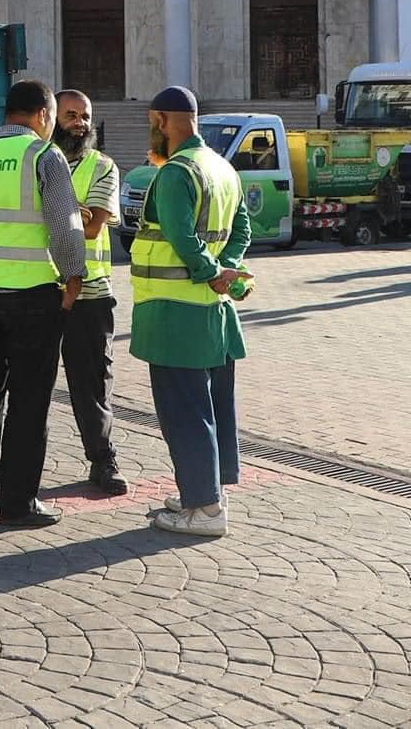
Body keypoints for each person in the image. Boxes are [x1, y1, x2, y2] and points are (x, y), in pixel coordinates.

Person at [0, 79, 88, 528]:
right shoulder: (44, 156)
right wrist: (74, 277)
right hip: (32, 295)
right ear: (44, 115)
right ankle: (17, 503)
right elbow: (66, 225)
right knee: (29, 400)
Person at [132, 86, 252, 538]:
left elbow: (181, 236)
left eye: (151, 122)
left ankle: (205, 509)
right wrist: (225, 271)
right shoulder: (222, 168)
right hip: (214, 313)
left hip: (175, 314)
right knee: (213, 408)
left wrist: (210, 271)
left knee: (184, 414)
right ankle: (206, 492)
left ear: (160, 120)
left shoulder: (175, 172)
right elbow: (242, 229)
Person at [51, 90, 127, 496]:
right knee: (25, 385)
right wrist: (73, 210)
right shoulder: (36, 161)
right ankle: (10, 467)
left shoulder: (102, 166)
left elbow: (94, 226)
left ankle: (103, 460)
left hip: (91, 294)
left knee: (93, 384)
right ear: (51, 118)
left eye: (85, 116)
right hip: (38, 289)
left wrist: (54, 210)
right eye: (71, 115)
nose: (80, 123)